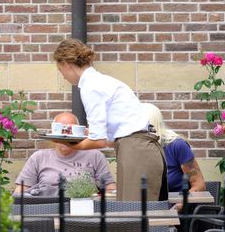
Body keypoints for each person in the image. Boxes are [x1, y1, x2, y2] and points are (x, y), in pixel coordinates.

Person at [52, 38, 168, 201]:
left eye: (60, 69)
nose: (63, 76)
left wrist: (68, 142)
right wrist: (86, 134)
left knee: (133, 217)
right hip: (138, 148)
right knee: (135, 216)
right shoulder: (100, 81)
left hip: (136, 151)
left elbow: (98, 141)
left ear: (67, 64)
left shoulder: (90, 86)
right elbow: (106, 135)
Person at [14, 112, 116, 196]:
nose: (65, 137)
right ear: (53, 133)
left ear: (79, 133)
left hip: (83, 212)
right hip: (46, 212)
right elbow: (20, 193)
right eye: (61, 131)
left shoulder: (95, 156)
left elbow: (110, 189)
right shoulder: (39, 158)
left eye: (71, 131)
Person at [141, 103, 205, 194]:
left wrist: (179, 206)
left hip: (175, 205)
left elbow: (199, 185)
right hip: (143, 206)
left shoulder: (177, 146)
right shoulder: (135, 149)